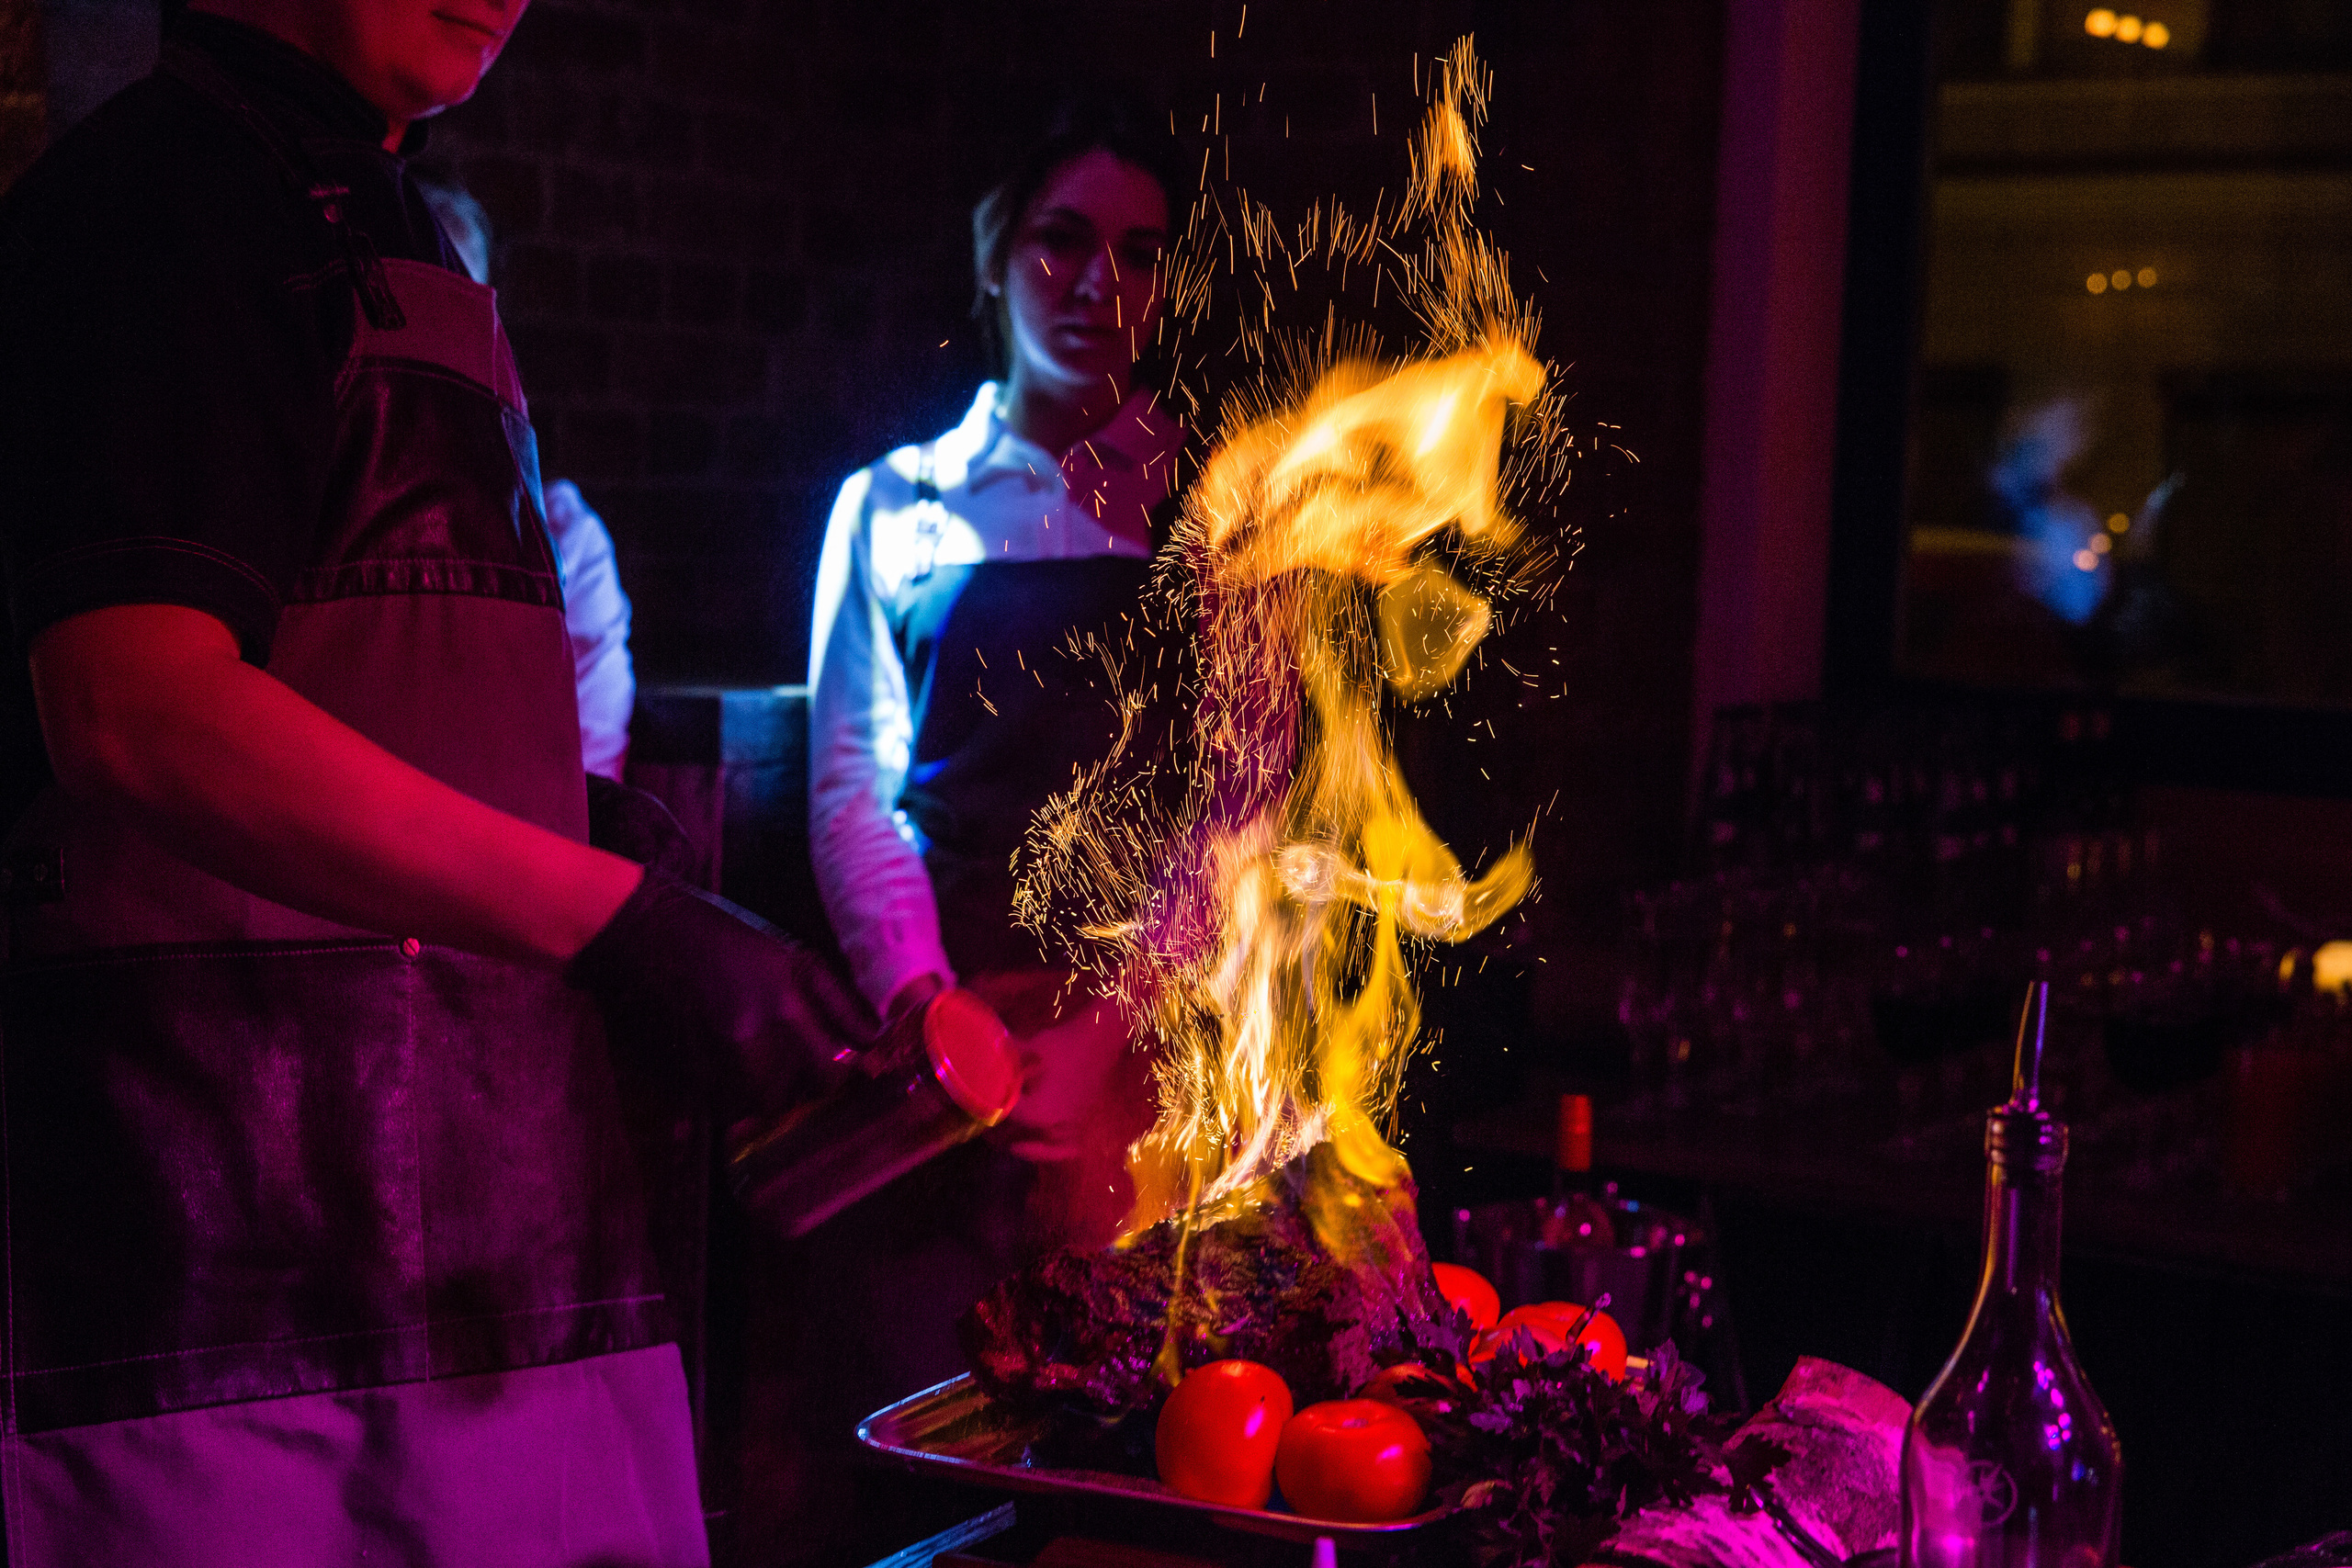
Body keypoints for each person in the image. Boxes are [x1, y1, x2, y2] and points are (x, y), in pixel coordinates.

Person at [0, 2, 885, 1562]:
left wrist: (591, 834)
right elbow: (135, 709)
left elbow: (367, 686)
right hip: (214, 1277)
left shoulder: (395, 224)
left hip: (493, 1248)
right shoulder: (155, 207)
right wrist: (613, 917)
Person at [802, 99, 1184, 1410]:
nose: (1098, 283)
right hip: (946, 1057)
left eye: (1140, 252)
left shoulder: (1225, 512)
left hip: (1154, 1063)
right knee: (932, 1428)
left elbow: (1245, 814)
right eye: (1061, 239)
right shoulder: (894, 502)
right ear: (992, 254)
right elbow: (857, 792)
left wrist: (1112, 1026)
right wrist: (930, 1007)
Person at [415, 172, 636, 778]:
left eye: (457, 303)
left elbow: (587, 780)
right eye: (405, 304)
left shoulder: (563, 543)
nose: (431, 339)